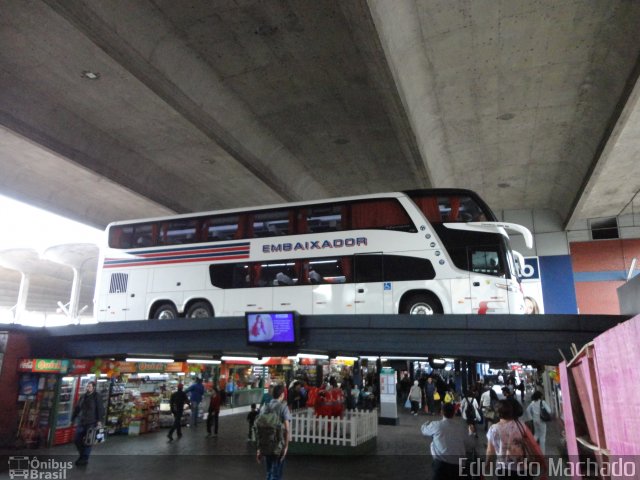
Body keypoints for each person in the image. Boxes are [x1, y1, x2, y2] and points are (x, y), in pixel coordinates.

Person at [486, 399, 545, 479]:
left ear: (497, 413)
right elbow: (533, 445)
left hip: (503, 469)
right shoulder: (521, 425)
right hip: (522, 469)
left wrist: (487, 464)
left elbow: (490, 451)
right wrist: (542, 463)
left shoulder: (493, 429)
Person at [420, 403, 472, 480]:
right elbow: (470, 444)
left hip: (441, 465)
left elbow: (424, 430)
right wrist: (471, 433)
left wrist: (426, 423)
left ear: (442, 412)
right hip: (458, 466)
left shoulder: (437, 425)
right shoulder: (461, 428)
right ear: (454, 412)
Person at [256, 384, 291, 480]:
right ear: (282, 395)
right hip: (278, 446)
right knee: (276, 474)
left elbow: (259, 428)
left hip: (266, 444)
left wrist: (259, 449)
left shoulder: (264, 407)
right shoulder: (283, 408)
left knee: (269, 472)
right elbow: (287, 429)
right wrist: (286, 446)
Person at [71, 381, 104, 466]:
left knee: (88, 441)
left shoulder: (97, 396)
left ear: (93, 387)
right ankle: (82, 455)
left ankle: (84, 458)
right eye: (87, 386)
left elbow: (100, 408)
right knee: (76, 439)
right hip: (82, 421)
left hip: (92, 422)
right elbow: (77, 407)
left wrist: (99, 421)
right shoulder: (83, 396)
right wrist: (73, 417)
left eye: (89, 386)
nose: (88, 388)